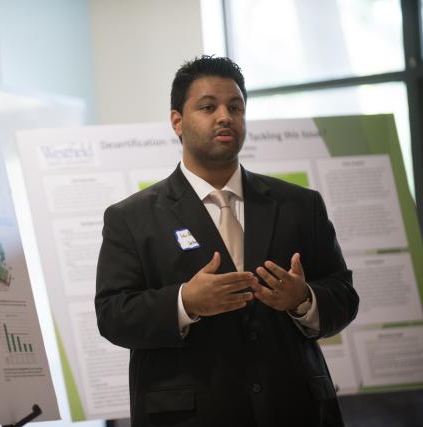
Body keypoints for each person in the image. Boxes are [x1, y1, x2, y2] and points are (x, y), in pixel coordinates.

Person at [95, 55, 359, 427]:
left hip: (295, 410)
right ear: (177, 122)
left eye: (235, 107)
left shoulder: (300, 205)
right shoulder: (131, 217)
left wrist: (302, 300)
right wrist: (185, 301)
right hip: (189, 416)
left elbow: (344, 296)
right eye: (208, 107)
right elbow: (112, 315)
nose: (225, 116)